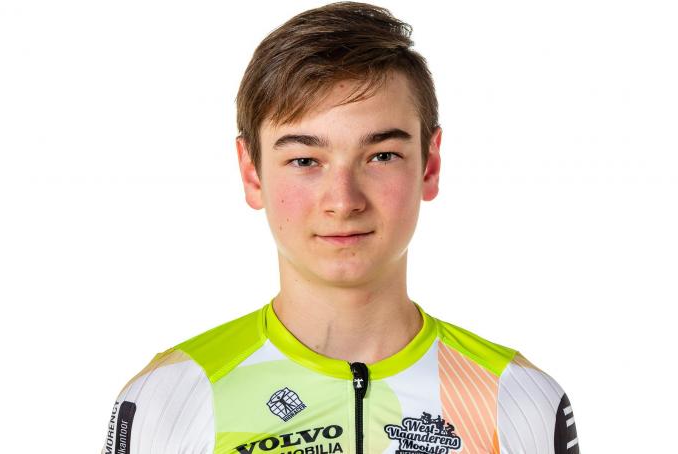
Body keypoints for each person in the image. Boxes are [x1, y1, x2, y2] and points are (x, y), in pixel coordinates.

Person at [101, 2, 580, 453]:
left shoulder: (516, 399)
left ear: (429, 165)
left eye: (381, 156)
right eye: (305, 160)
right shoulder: (171, 399)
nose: (344, 201)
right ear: (252, 173)